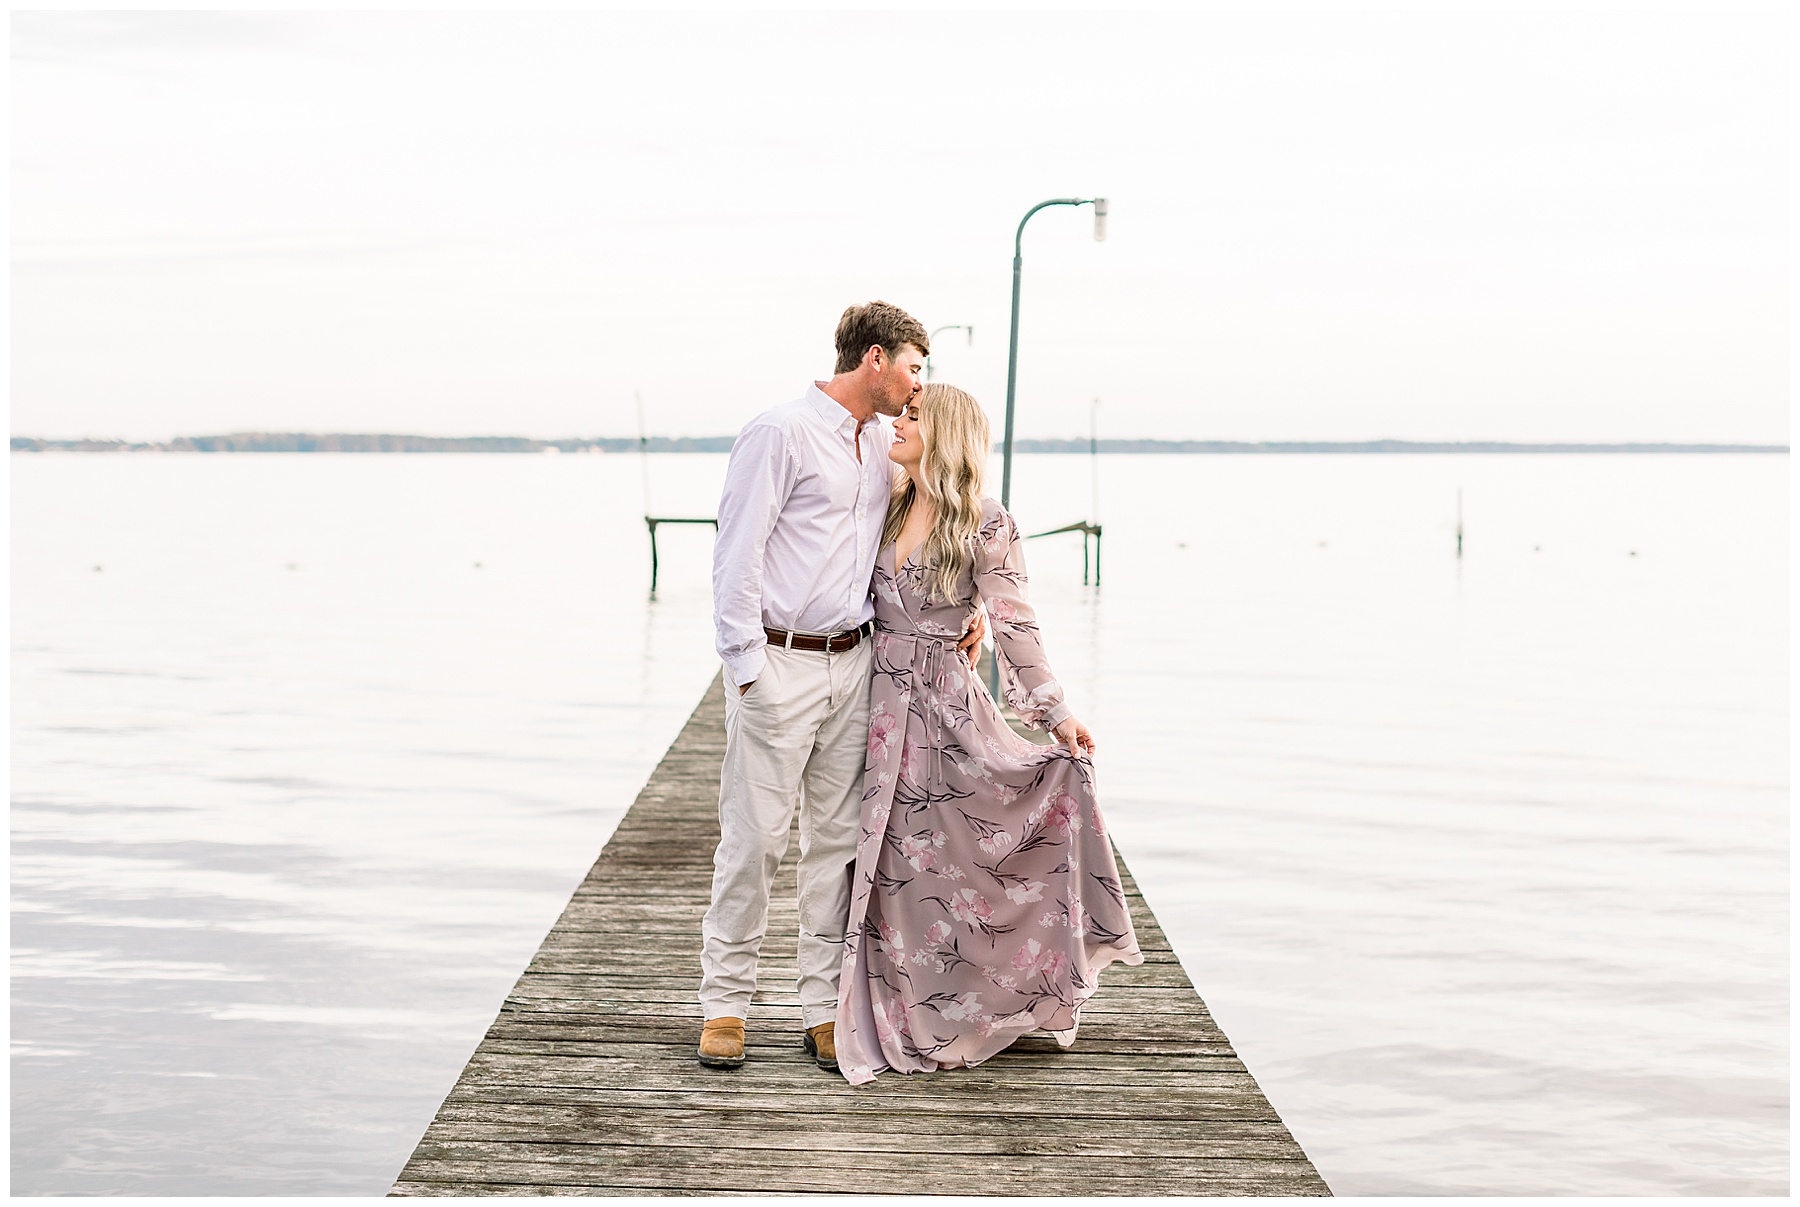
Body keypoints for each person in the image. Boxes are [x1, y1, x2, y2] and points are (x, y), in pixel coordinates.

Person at [700, 302, 983, 1072]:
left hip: (856, 664)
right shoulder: (780, 432)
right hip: (779, 663)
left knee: (835, 846)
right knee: (754, 838)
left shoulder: (881, 452)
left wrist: (976, 610)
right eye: (915, 367)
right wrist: (747, 667)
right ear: (875, 360)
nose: (919, 385)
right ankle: (725, 1002)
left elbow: (935, 529)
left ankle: (822, 1007)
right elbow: (737, 550)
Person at [834, 383, 1142, 1085]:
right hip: (878, 701)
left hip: (944, 708)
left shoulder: (985, 520)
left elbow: (1014, 619)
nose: (897, 424)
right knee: (892, 864)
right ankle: (900, 1003)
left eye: (912, 417)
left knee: (954, 860)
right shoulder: (886, 499)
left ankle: (976, 1004)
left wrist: (1055, 709)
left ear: (943, 432)